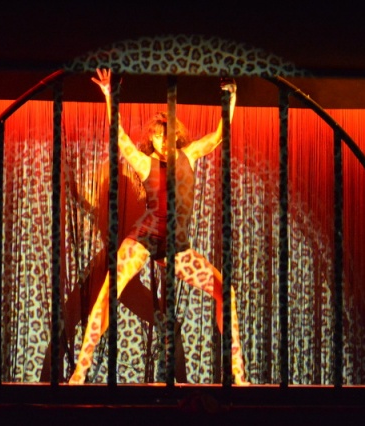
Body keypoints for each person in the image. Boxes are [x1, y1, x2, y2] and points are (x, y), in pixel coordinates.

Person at [69, 69, 247, 385]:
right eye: (156, 137)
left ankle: (238, 373)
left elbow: (221, 134)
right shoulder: (144, 163)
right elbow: (119, 136)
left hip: (176, 245)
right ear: (151, 139)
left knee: (225, 291)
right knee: (107, 294)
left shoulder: (189, 155)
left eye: (166, 136)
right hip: (144, 236)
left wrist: (229, 95)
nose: (161, 142)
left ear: (174, 135)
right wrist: (110, 96)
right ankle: (79, 373)